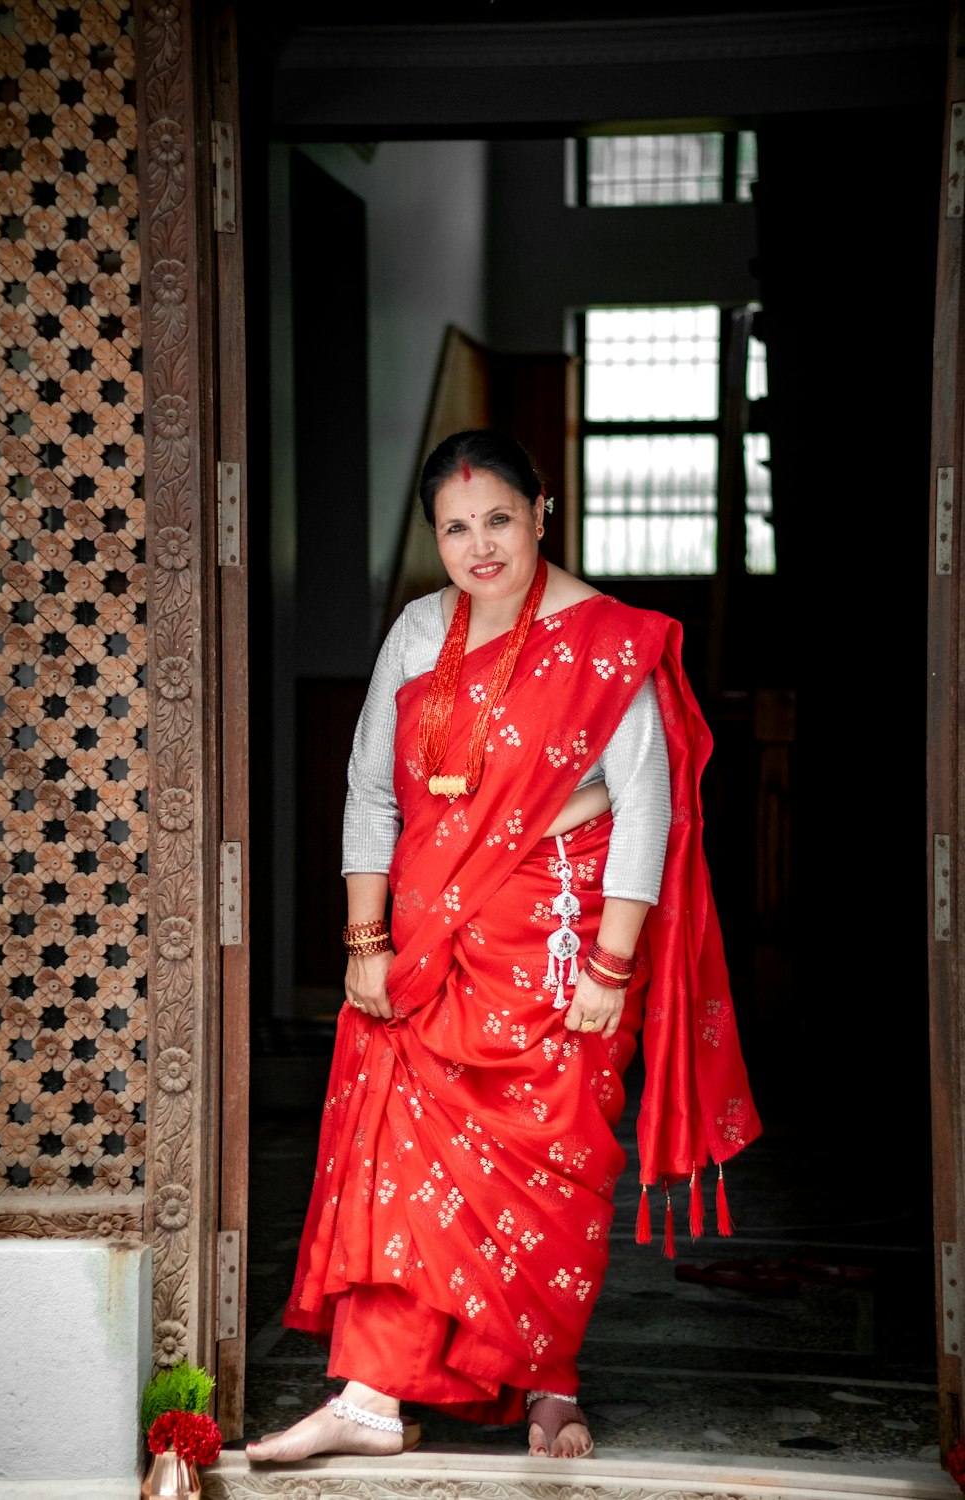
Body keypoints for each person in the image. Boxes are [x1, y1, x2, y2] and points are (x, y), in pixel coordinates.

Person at [246, 428, 760, 1466]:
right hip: (425, 948)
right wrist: (363, 938)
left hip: (558, 949)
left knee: (550, 1166)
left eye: (498, 521)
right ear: (432, 536)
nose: (479, 547)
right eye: (454, 529)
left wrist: (613, 968)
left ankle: (547, 1385)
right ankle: (369, 1396)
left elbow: (646, 806)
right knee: (401, 1162)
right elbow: (371, 791)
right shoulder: (412, 632)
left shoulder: (610, 639)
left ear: (541, 514)